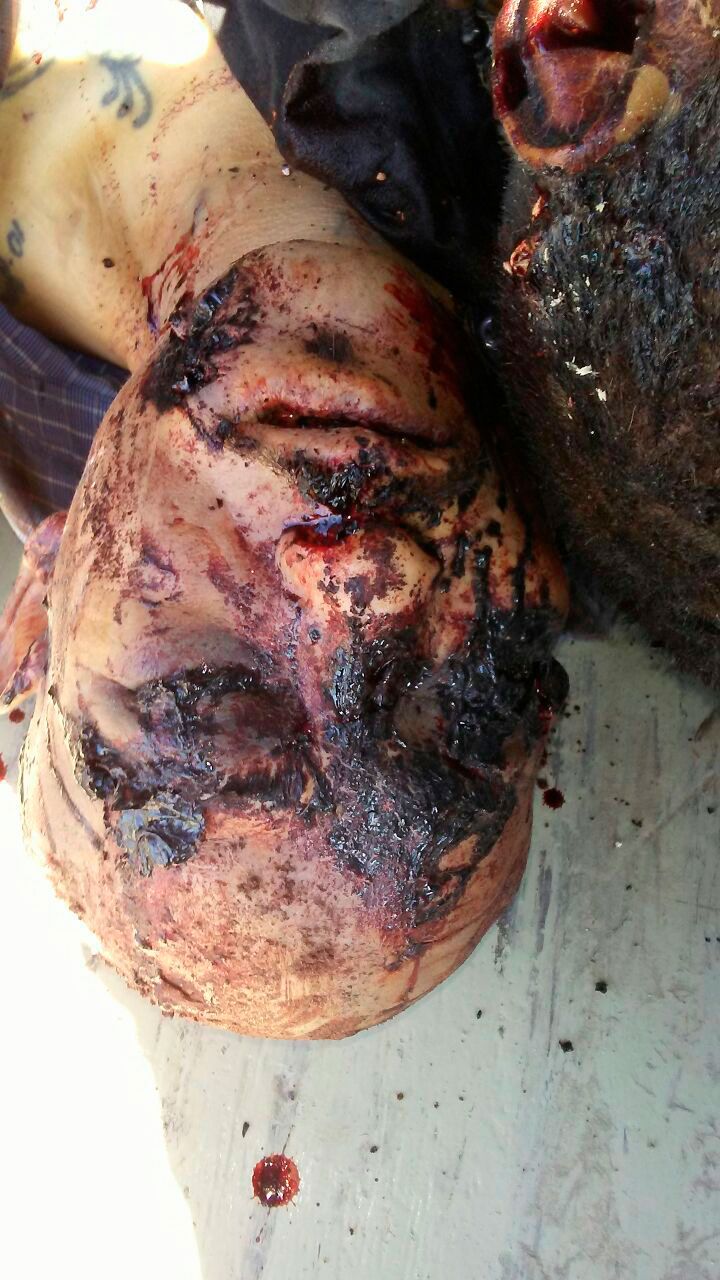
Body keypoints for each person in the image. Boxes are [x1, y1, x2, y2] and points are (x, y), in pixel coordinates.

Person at [0, 0, 567, 1037]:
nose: (368, 579)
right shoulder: (562, 99)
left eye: (211, 698)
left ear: (36, 621)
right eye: (459, 708)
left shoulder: (31, 418)